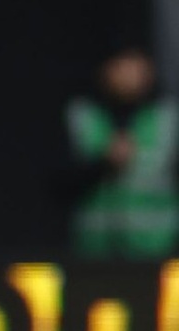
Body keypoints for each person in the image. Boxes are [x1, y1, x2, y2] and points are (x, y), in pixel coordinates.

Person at [61, 44, 179, 260]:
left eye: (134, 65)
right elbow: (59, 181)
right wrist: (104, 162)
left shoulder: (168, 117)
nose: (128, 74)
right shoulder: (83, 114)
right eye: (120, 65)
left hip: (159, 248)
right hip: (95, 250)